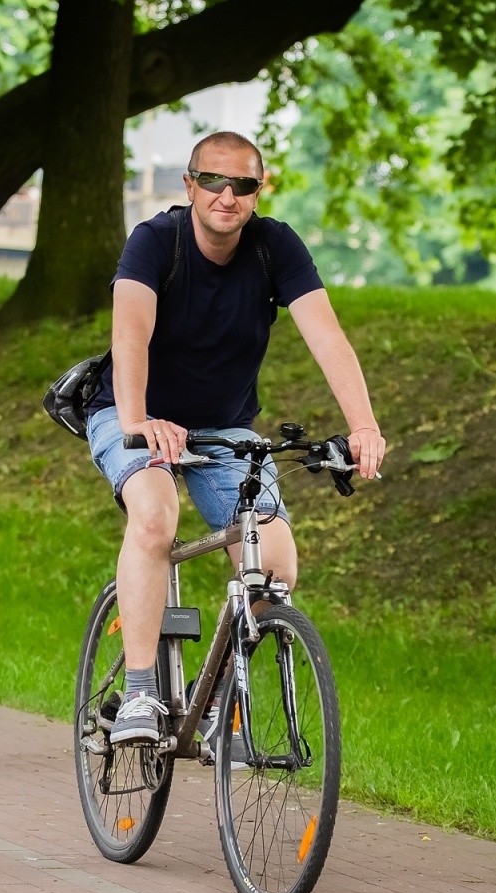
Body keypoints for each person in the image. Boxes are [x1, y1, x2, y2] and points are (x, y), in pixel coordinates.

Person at [86, 131, 387, 746]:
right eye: (214, 182)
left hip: (222, 427)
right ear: (190, 185)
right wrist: (140, 419)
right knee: (153, 518)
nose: (228, 196)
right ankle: (141, 692)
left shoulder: (274, 247)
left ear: (259, 189)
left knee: (274, 564)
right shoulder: (155, 242)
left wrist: (364, 425)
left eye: (243, 184)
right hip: (131, 411)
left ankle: (221, 697)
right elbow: (131, 335)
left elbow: (327, 338)